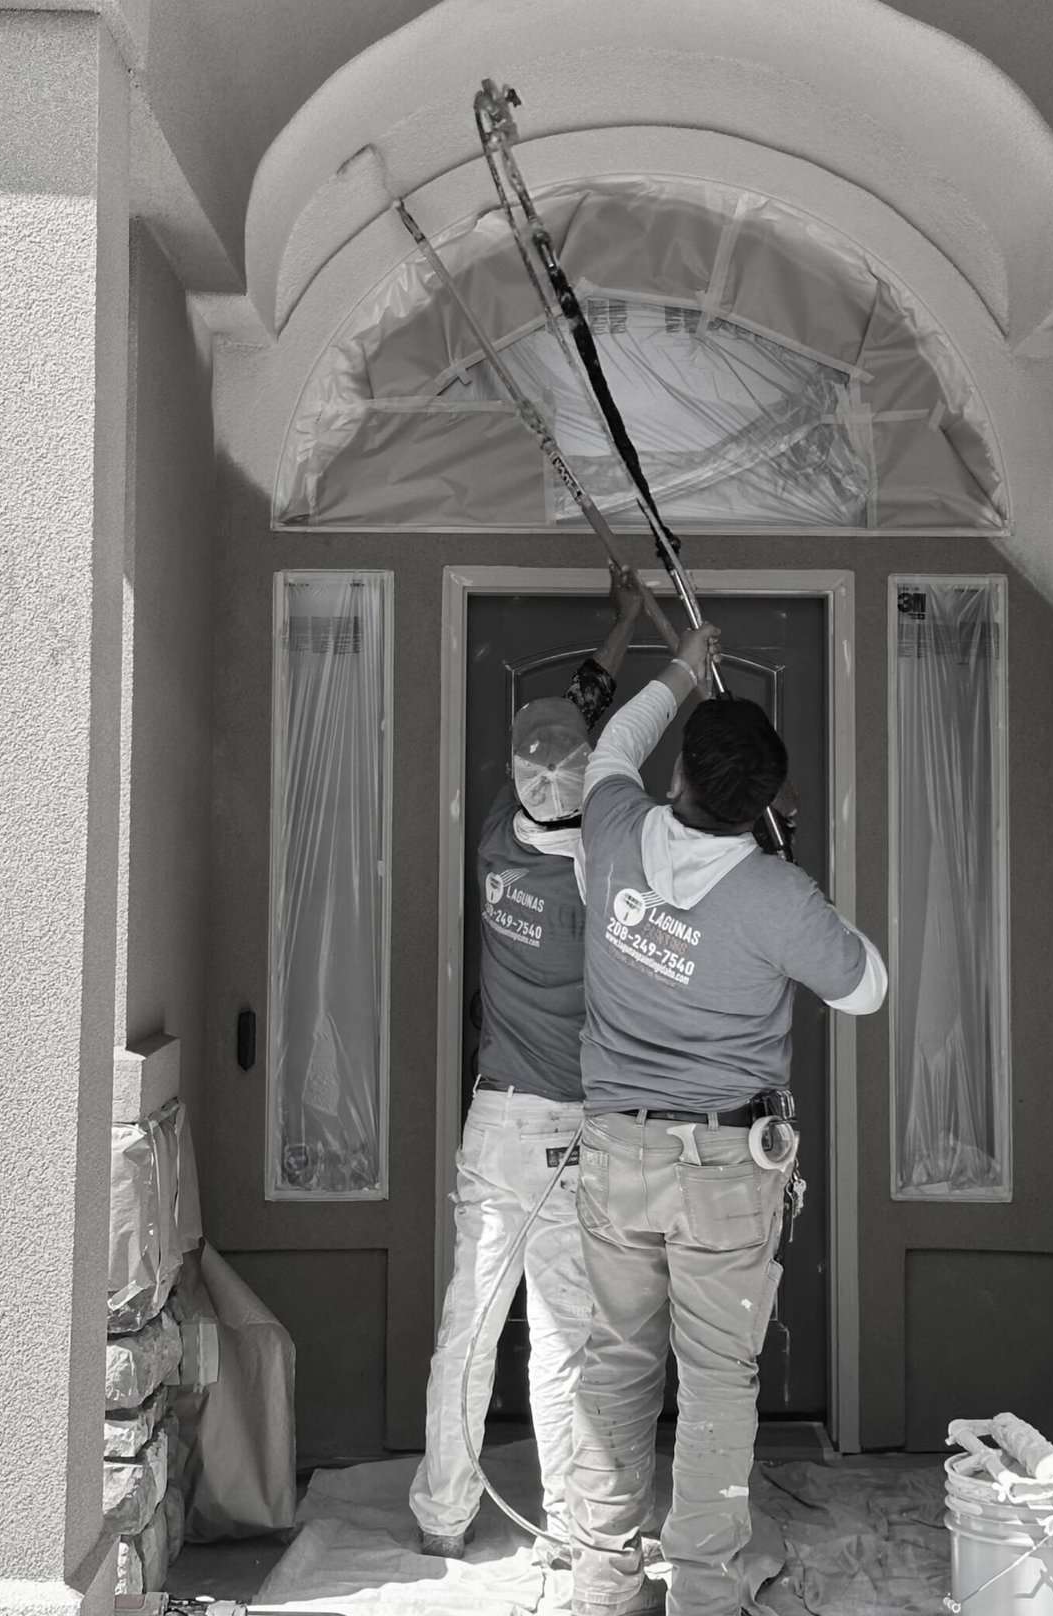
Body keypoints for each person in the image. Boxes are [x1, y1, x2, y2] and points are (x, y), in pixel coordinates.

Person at [565, 623, 887, 1616]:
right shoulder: (777, 895)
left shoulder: (613, 824)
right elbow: (867, 987)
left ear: (679, 777)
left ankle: (605, 1580)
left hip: (617, 1148)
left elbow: (614, 744)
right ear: (763, 807)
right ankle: (704, 1592)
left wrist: (682, 666)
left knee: (617, 1362)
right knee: (715, 1381)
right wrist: (792, 872)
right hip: (723, 1166)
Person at [410, 565, 645, 1566]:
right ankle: (565, 1524)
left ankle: (443, 1514)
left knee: (468, 1323)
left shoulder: (495, 837)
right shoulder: (601, 875)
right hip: (567, 1132)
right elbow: (587, 732)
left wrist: (618, 628)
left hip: (496, 1123)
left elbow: (570, 721)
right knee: (562, 1335)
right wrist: (642, 630)